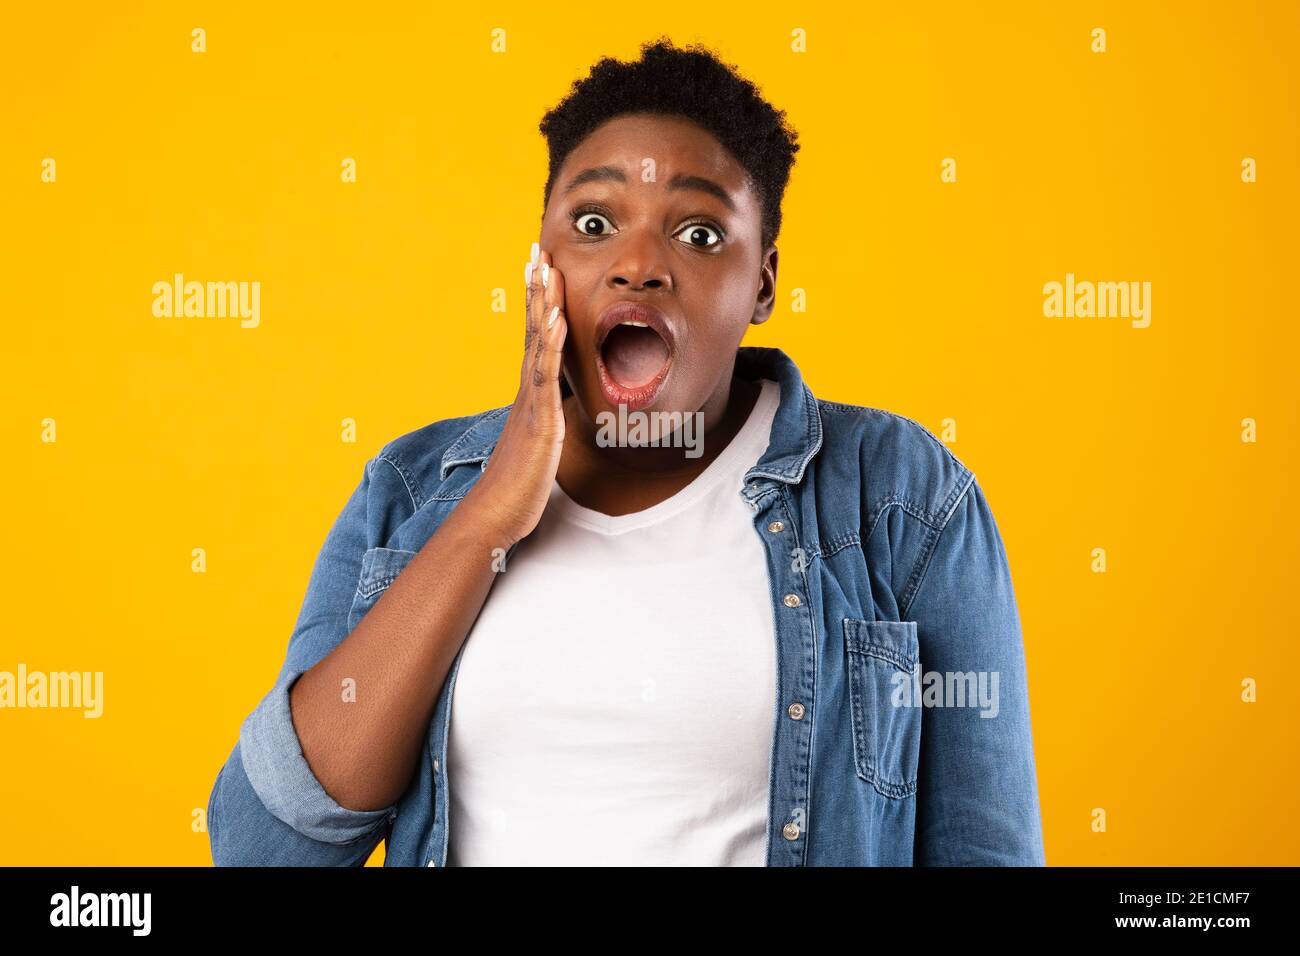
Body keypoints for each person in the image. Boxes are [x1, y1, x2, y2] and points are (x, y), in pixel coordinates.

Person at [207, 36, 1046, 866]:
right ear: (541, 258)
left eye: (701, 235)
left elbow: (986, 850)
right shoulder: (411, 489)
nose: (638, 264)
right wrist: (488, 515)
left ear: (763, 283)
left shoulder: (901, 499)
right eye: (594, 223)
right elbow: (260, 849)